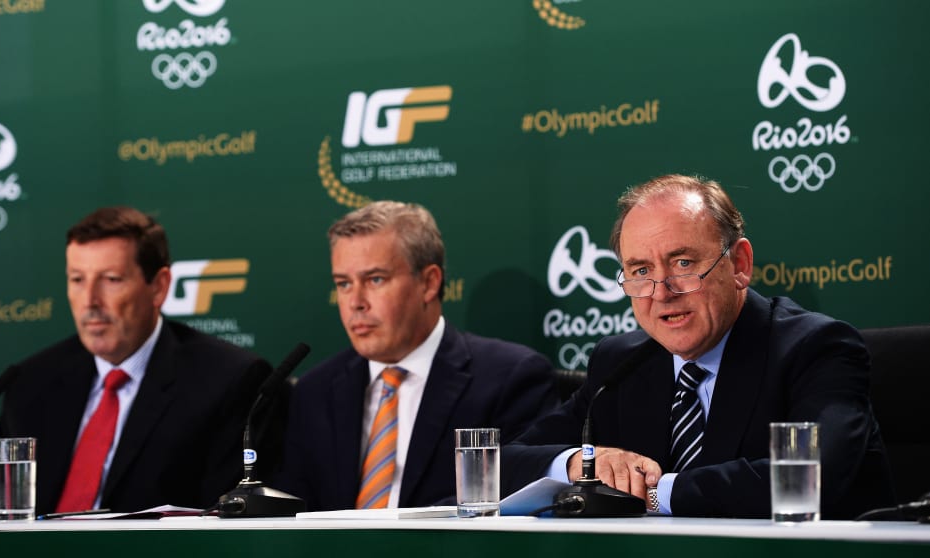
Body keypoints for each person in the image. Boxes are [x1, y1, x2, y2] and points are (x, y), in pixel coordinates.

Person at [502, 174, 894, 519]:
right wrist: (580, 464)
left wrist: (651, 493)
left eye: (683, 263)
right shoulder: (621, 363)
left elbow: (809, 476)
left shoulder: (816, 349)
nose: (662, 292)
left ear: (739, 264)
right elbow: (499, 464)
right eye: (641, 271)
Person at [272, 200, 559, 511]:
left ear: (429, 283)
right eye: (343, 284)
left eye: (375, 280)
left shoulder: (510, 379)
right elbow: (292, 514)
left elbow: (520, 497)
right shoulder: (315, 391)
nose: (355, 302)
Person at [0, 206, 285, 515]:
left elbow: (224, 523)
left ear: (159, 286)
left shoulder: (229, 381)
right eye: (77, 279)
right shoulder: (30, 384)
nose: (90, 300)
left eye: (111, 279)